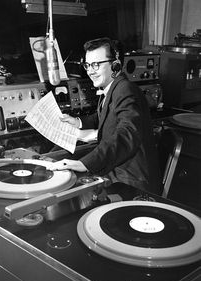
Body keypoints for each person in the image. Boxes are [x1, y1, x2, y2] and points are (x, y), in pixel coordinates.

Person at [48, 37, 160, 194]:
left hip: (130, 181)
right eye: (87, 65)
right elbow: (104, 115)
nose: (90, 71)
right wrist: (78, 122)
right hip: (116, 171)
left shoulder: (125, 90)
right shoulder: (111, 88)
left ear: (115, 65)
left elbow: (127, 134)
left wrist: (85, 164)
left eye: (96, 65)